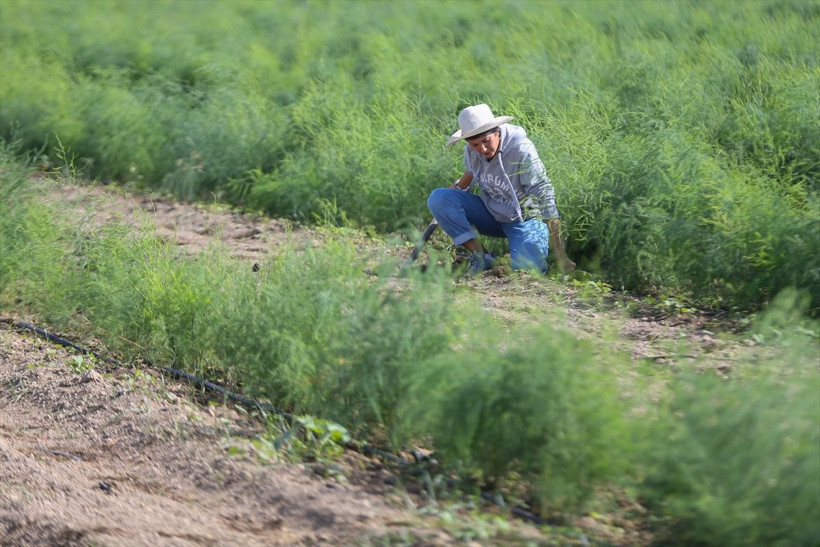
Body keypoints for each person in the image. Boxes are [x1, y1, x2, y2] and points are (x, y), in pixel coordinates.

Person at [427, 103, 576, 276]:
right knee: (439, 198)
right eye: (475, 145)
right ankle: (482, 257)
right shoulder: (472, 151)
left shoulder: (521, 151)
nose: (482, 149)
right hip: (491, 214)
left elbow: (545, 196)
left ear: (497, 132)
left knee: (528, 272)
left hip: (525, 220)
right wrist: (457, 189)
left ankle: (526, 255)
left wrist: (561, 255)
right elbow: (471, 171)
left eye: (486, 141)